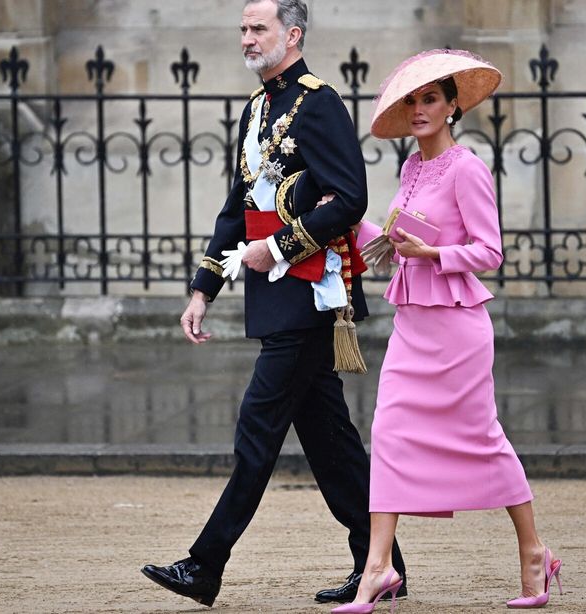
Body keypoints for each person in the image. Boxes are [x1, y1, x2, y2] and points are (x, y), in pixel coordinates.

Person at [140, 0, 406, 607]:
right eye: (242, 28)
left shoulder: (321, 103)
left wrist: (279, 248)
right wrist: (203, 288)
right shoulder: (258, 107)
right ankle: (382, 566)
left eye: (257, 28)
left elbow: (350, 199)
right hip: (276, 295)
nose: (246, 38)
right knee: (332, 445)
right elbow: (238, 208)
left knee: (256, 432)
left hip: (309, 293)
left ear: (292, 34)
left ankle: (205, 564)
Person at [331, 49, 563, 613]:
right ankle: (378, 568)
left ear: (453, 105)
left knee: (483, 439)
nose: (419, 109)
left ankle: (534, 552)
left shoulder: (468, 167)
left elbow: (490, 252)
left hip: (458, 331)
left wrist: (432, 251)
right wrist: (341, 217)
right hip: (412, 327)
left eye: (430, 98)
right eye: (411, 100)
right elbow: (392, 248)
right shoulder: (410, 169)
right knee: (387, 433)